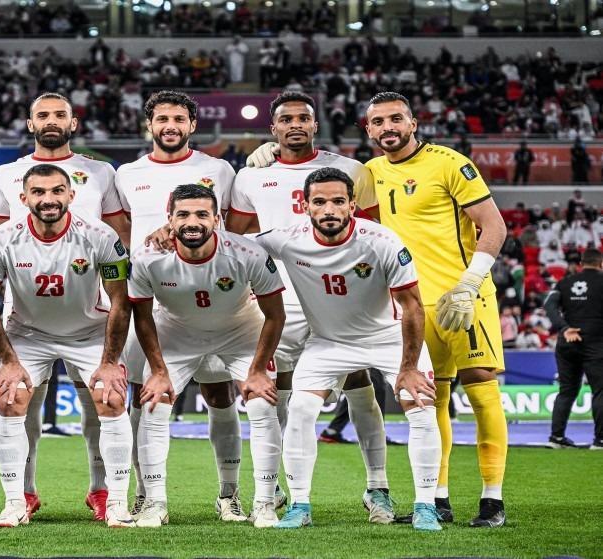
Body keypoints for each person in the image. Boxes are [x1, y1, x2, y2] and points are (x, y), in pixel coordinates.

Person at [213, 91, 393, 521]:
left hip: (338, 297)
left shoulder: (351, 170)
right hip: (279, 300)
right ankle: (273, 488)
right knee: (274, 392)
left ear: (315, 124)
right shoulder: (250, 177)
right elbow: (235, 239)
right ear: (273, 128)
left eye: (303, 118)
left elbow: (371, 233)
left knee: (358, 385)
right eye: (286, 119)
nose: (295, 125)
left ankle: (378, 487)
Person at [252, 166, 443, 532]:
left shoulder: (382, 241)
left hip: (389, 339)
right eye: (320, 202)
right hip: (329, 342)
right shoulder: (287, 239)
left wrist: (409, 368)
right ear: (305, 206)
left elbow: (413, 307)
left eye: (339, 201)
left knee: (421, 409)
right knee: (300, 409)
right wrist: (168, 233)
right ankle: (300, 505)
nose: (329, 210)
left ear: (352, 205)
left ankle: (426, 506)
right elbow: (232, 242)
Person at [0, 92, 130, 521]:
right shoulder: (6, 175)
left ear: (73, 121)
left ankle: (107, 495)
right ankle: (19, 498)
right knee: (16, 401)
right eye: (42, 115)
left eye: (59, 114)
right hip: (27, 323)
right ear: (30, 123)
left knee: (103, 401)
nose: (51, 120)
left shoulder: (100, 173)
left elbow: (119, 238)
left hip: (89, 319)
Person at [363, 91, 508, 527]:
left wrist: (470, 283)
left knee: (481, 387)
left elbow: (494, 225)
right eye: (378, 122)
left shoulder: (449, 163)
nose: (387, 128)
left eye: (396, 119)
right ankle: (437, 498)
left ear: (412, 124)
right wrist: (271, 154)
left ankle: (493, 499)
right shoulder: (369, 173)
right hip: (411, 305)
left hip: (462, 298)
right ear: (368, 130)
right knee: (430, 398)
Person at [115, 90, 243, 521]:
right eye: (162, 119)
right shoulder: (127, 174)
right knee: (145, 394)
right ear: (149, 124)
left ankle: (229, 493)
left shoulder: (219, 170)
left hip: (212, 298)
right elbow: (121, 233)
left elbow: (233, 227)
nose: (170, 126)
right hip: (151, 300)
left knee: (220, 392)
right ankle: (145, 494)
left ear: (192, 125)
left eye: (179, 119)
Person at [131, 184, 286, 528]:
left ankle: (260, 503)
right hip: (177, 333)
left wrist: (257, 371)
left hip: (240, 331)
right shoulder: (147, 257)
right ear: (169, 219)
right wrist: (158, 371)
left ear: (217, 219)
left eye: (202, 214)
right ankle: (155, 503)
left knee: (262, 403)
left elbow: (275, 315)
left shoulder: (247, 253)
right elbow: (141, 316)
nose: (193, 222)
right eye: (183, 214)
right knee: (154, 403)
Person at [544, 248, 603, 450]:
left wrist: (564, 328)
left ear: (580, 264)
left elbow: (549, 305)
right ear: (600, 264)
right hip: (596, 342)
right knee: (600, 391)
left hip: (567, 342)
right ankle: (600, 440)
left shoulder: (565, 282)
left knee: (566, 391)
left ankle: (556, 438)